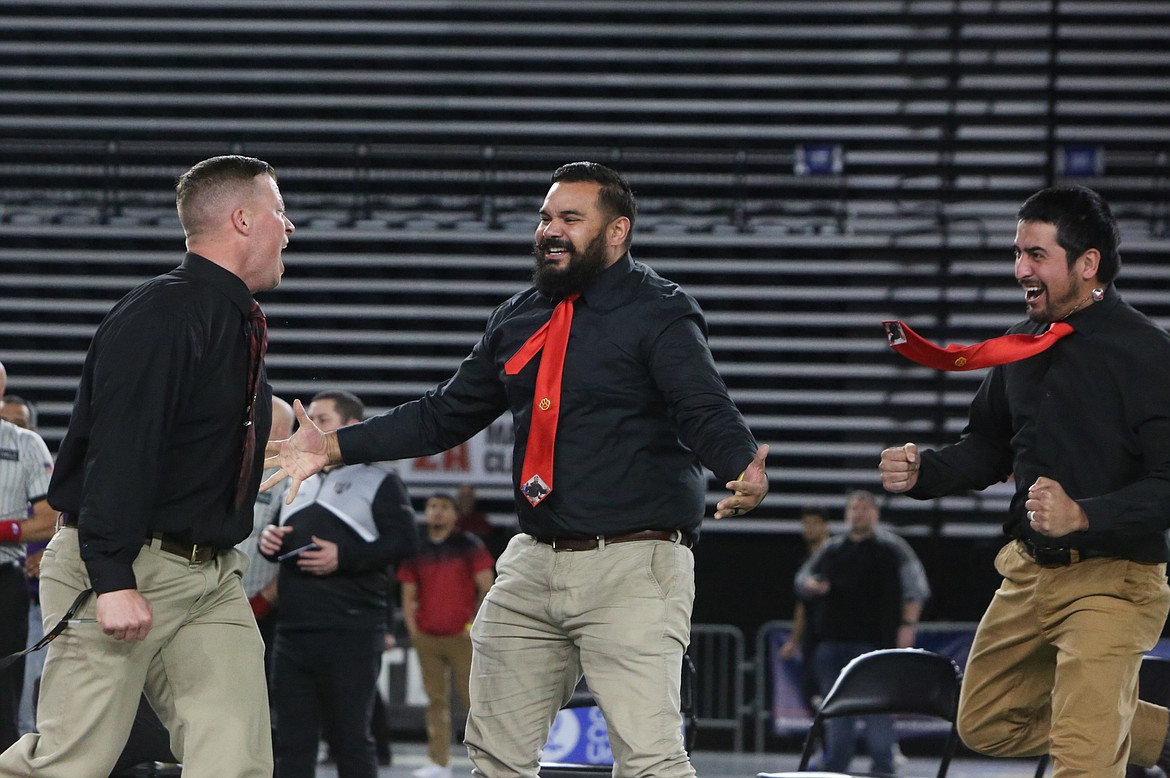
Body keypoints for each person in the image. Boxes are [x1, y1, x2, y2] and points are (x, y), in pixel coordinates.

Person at [264, 161, 769, 778]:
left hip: (633, 565)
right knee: (497, 759)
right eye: (545, 217)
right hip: (533, 563)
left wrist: (739, 462)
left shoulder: (660, 311)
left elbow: (701, 405)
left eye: (570, 219)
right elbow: (444, 414)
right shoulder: (519, 315)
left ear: (617, 233)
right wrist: (334, 448)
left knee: (649, 761)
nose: (549, 230)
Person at [0, 154, 294, 776]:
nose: (289, 228)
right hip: (127, 563)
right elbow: (121, 450)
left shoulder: (230, 317)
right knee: (68, 763)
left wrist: (288, 430)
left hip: (211, 577)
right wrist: (111, 579)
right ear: (243, 220)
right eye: (280, 212)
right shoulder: (165, 314)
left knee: (235, 758)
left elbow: (204, 424)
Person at [879, 185, 1170, 777]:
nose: (1020, 270)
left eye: (1036, 255)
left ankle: (1096, 734)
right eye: (1017, 253)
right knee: (984, 720)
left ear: (1087, 264)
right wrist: (923, 472)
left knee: (1081, 760)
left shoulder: (1148, 355)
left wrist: (1085, 515)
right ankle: (1154, 734)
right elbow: (987, 445)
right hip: (1029, 573)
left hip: (1114, 580)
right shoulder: (1023, 345)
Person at [258, 389, 417, 778]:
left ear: (352, 427)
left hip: (351, 630)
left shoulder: (379, 480)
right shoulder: (297, 479)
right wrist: (269, 544)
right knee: (290, 743)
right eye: (306, 418)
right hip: (293, 630)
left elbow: (405, 543)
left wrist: (343, 557)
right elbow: (280, 544)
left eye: (322, 420)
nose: (309, 428)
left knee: (350, 740)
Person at [795, 489, 922, 774]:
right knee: (836, 708)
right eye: (854, 508)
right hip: (831, 641)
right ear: (846, 514)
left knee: (878, 707)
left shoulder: (892, 548)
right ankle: (836, 765)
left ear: (875, 513)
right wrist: (812, 585)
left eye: (864, 508)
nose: (859, 513)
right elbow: (802, 579)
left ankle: (883, 765)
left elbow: (916, 589)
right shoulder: (833, 549)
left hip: (874, 641)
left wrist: (908, 626)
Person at [398, 492, 495, 778]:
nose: (436, 512)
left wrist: (474, 626)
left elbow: (487, 587)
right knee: (435, 702)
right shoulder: (415, 547)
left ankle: (491, 760)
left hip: (462, 638)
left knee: (473, 701)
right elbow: (407, 593)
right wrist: (414, 631)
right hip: (427, 637)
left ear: (455, 515)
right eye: (431, 506)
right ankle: (440, 762)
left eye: (443, 507)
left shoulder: (470, 546)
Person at [0, 367, 57, 751]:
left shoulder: (26, 443)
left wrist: (3, 531)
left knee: (5, 691)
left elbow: (50, 520)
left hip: (4, 578)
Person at [238, 395, 295, 664]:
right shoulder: (228, 465)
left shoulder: (294, 480)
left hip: (262, 609)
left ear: (280, 431)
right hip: (207, 601)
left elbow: (294, 550)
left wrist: (263, 601)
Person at [778, 507, 831, 712]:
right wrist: (794, 640)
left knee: (828, 693)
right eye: (806, 524)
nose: (809, 529)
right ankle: (824, 742)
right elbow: (802, 604)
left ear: (826, 526)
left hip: (833, 635)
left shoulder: (835, 557)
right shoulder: (806, 564)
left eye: (815, 523)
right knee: (812, 694)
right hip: (813, 638)